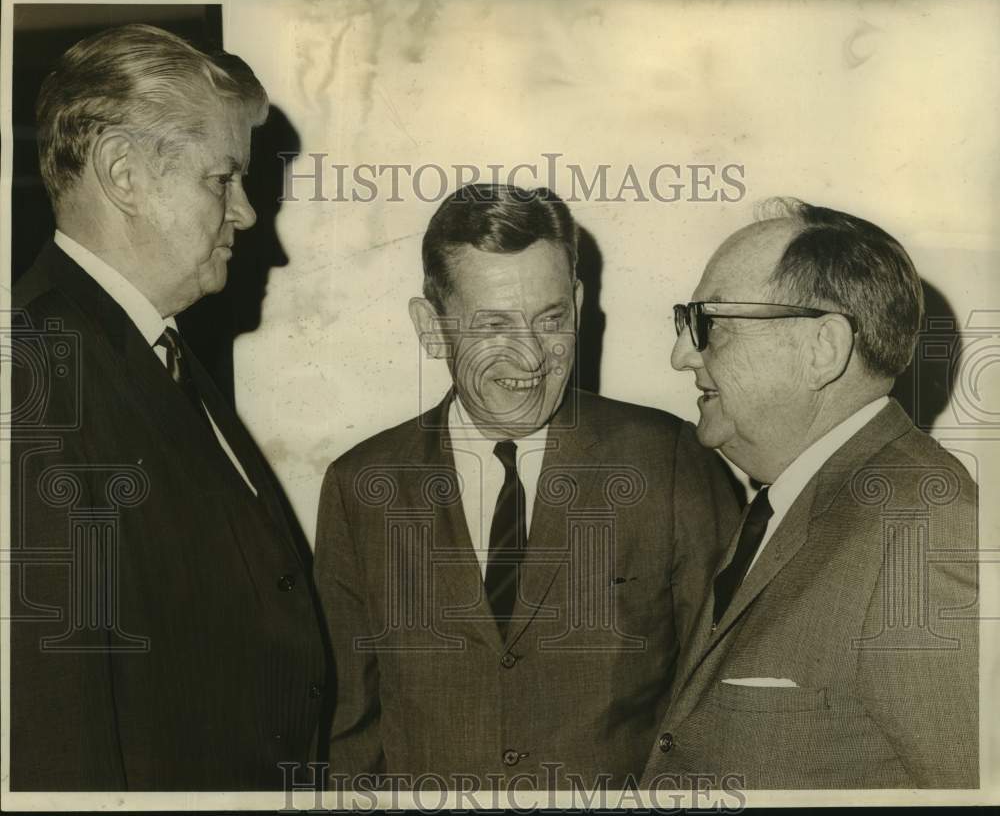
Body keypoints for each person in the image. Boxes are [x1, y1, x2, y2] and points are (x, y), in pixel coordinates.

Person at [313, 183, 739, 791]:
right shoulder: (362, 486)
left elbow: (720, 698)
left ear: (580, 304)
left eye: (552, 319)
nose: (532, 357)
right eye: (493, 324)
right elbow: (351, 731)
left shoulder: (668, 462)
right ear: (431, 328)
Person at [10, 24, 328, 791]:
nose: (247, 216)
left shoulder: (156, 349)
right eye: (222, 180)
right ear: (124, 173)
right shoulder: (32, 379)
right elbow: (51, 742)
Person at [642, 198, 978, 789]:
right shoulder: (788, 502)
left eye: (710, 323)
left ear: (822, 348)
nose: (681, 355)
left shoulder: (926, 525)